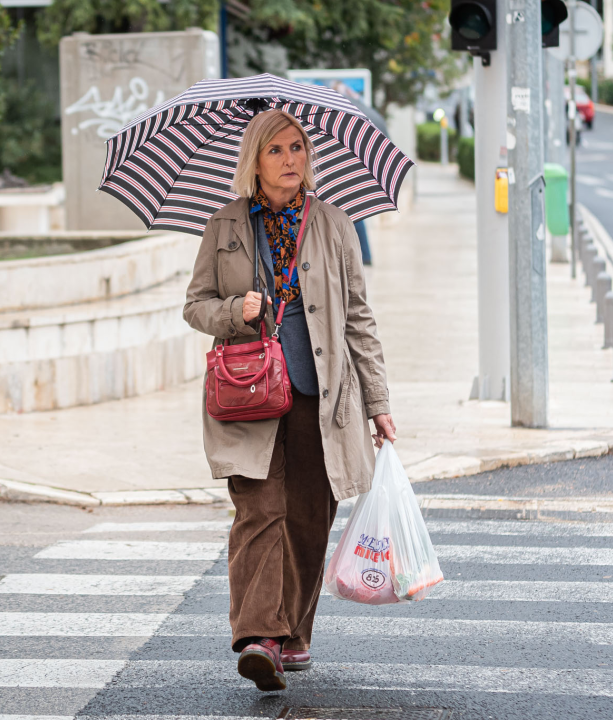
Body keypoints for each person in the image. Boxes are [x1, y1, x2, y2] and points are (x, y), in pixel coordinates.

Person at [182, 109, 397, 692]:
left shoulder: (334, 224)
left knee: (307, 516)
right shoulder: (225, 225)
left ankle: (293, 634)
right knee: (258, 511)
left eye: (297, 148)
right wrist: (236, 311)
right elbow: (195, 305)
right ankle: (259, 638)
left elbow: (358, 318)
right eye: (275, 150)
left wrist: (377, 402)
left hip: (318, 394)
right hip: (247, 392)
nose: (289, 160)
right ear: (255, 160)